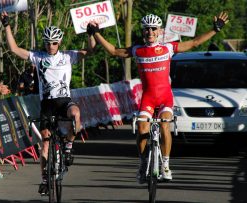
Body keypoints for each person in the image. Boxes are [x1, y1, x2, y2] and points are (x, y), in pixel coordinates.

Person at [88, 12, 229, 183]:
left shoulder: (168, 48)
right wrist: (96, 32)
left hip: (165, 98)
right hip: (147, 99)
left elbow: (194, 42)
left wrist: (215, 29)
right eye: (147, 29)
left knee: (165, 125)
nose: (150, 32)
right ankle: (143, 163)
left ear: (159, 31)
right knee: (141, 127)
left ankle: (166, 165)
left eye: (153, 29)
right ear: (143, 31)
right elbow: (113, 51)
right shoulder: (137, 50)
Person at [1, 11, 96, 194]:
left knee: (76, 115)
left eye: (54, 42)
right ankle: (45, 179)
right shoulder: (38, 57)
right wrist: (6, 26)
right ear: (44, 43)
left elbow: (91, 51)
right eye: (47, 42)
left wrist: (91, 34)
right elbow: (14, 49)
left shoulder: (68, 56)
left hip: (64, 101)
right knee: (45, 142)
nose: (50, 46)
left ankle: (68, 146)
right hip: (47, 104)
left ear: (59, 42)